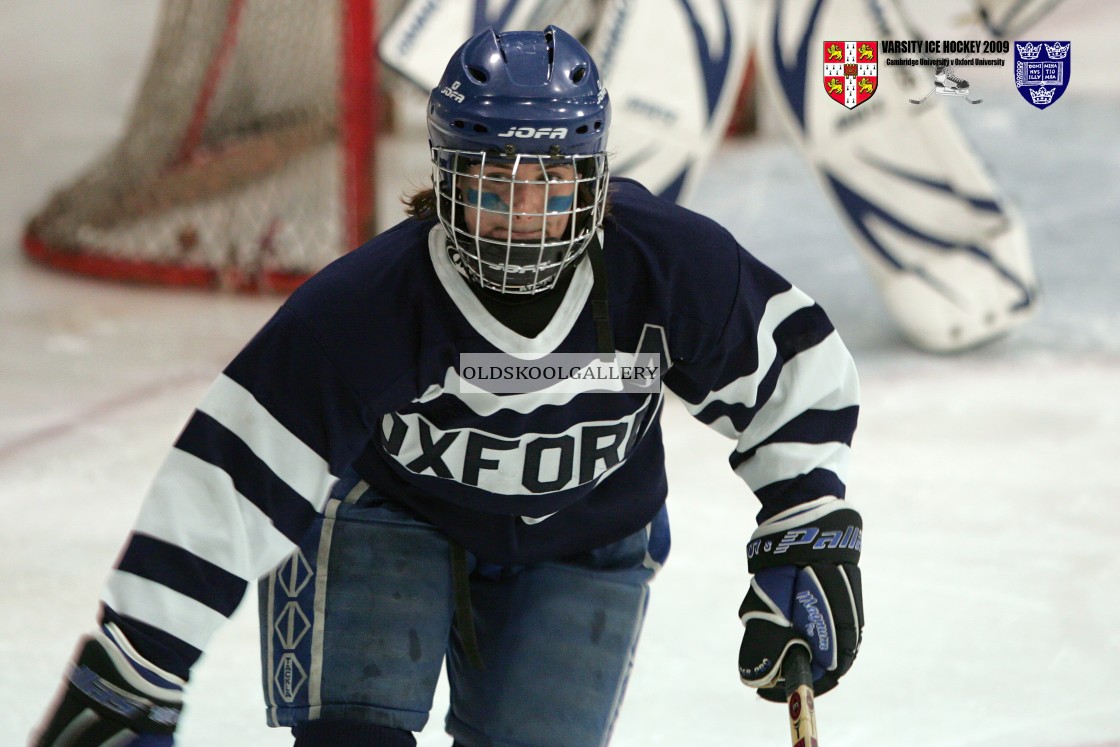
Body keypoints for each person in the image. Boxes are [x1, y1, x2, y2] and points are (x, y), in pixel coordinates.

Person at [32, 26, 864, 747]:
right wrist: (138, 662)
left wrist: (808, 520)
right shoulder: (370, 306)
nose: (523, 212)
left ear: (594, 177)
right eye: (493, 183)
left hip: (584, 537)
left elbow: (797, 371)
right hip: (389, 512)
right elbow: (231, 478)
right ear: (447, 179)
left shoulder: (667, 265)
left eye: (550, 182)